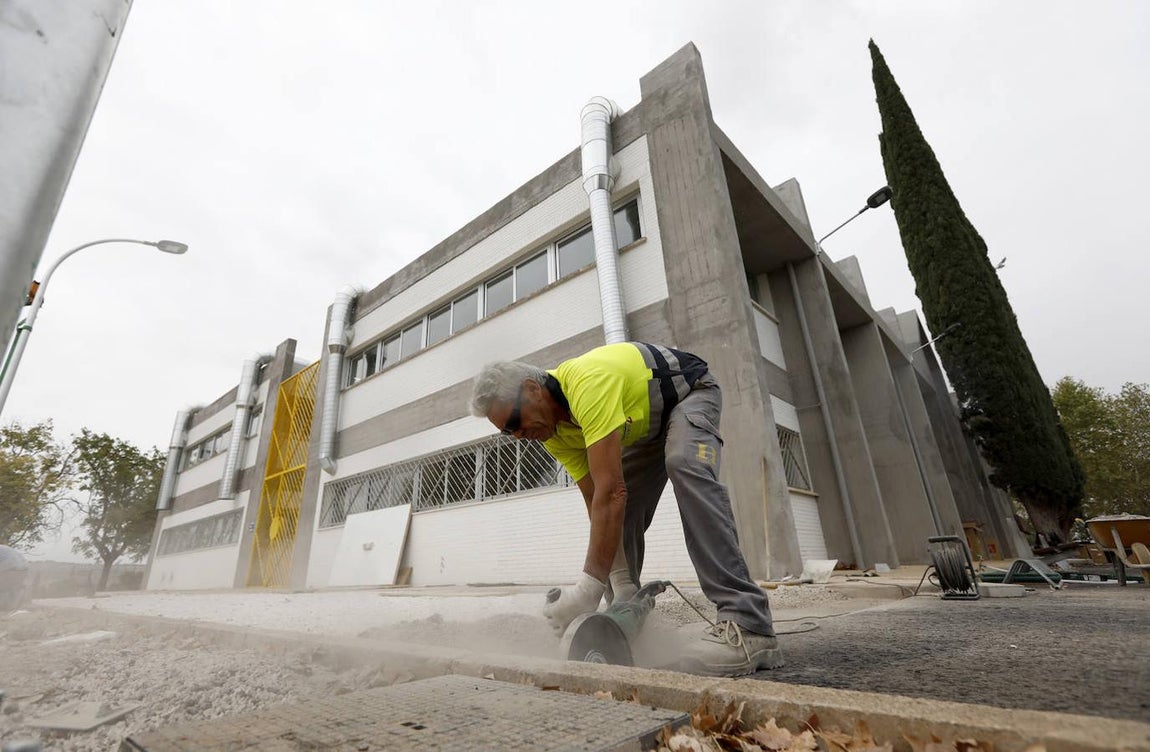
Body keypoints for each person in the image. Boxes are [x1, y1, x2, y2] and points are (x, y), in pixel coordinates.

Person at [470, 341, 782, 676]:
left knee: (683, 464)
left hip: (691, 393)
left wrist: (585, 592)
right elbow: (598, 505)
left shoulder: (586, 384)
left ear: (532, 389)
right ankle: (624, 622)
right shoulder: (553, 434)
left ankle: (748, 623)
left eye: (515, 421)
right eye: (507, 432)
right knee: (618, 514)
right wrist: (621, 587)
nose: (517, 435)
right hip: (647, 428)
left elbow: (611, 492)